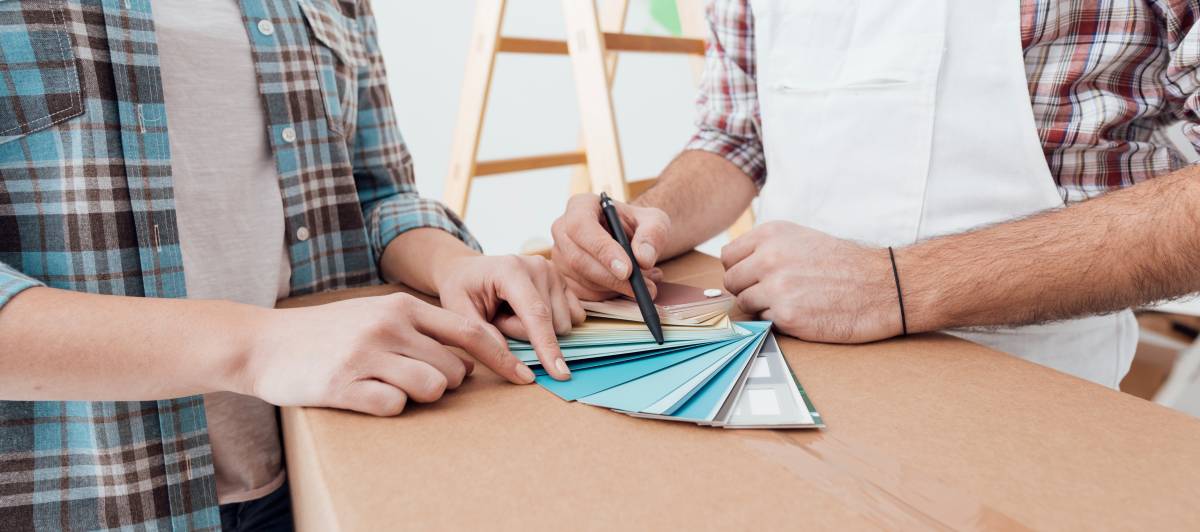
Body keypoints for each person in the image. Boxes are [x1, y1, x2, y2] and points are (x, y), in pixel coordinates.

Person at [0, 1, 578, 530]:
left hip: (323, 461)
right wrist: (261, 346)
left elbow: (374, 193)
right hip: (97, 501)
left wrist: (452, 263)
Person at [552, 1, 1200, 390]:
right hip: (787, 369)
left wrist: (893, 285)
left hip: (1037, 390)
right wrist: (654, 216)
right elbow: (734, 136)